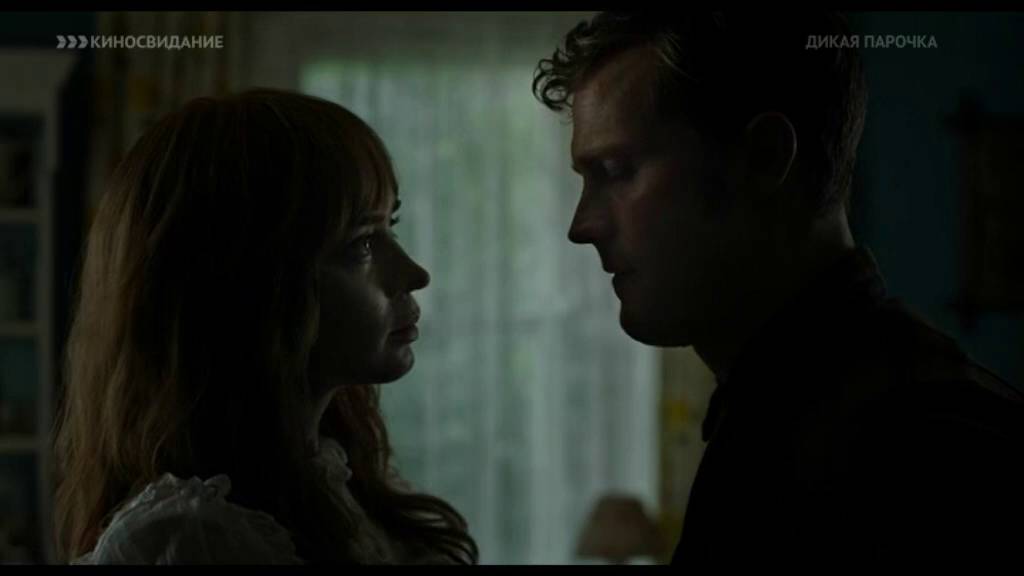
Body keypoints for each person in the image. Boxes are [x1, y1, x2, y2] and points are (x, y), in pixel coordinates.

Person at [533, 11, 1024, 566]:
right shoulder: (778, 421)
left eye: (617, 170)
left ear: (764, 159)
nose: (581, 225)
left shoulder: (928, 457)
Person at [53, 88, 478, 565]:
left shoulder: (333, 479)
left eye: (389, 227)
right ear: (249, 284)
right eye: (360, 243)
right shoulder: (191, 540)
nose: (414, 274)